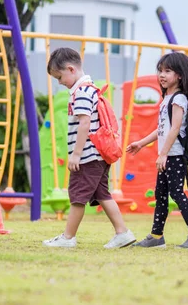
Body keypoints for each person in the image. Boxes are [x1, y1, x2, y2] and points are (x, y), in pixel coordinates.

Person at [43, 48, 136, 248]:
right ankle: (123, 232)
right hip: (97, 156)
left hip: (88, 156)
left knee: (77, 196)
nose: (59, 82)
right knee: (102, 193)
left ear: (71, 69)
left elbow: (84, 123)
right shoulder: (89, 88)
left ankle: (68, 238)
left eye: (60, 77)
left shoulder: (82, 92)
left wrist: (76, 155)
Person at [127, 52, 188, 250]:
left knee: (176, 193)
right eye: (160, 71)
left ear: (180, 75)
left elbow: (175, 128)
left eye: (168, 71)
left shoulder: (179, 99)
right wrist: (142, 143)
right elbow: (162, 128)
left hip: (175, 156)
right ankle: (156, 235)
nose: (162, 75)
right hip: (168, 155)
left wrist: (163, 154)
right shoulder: (168, 98)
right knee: (161, 194)